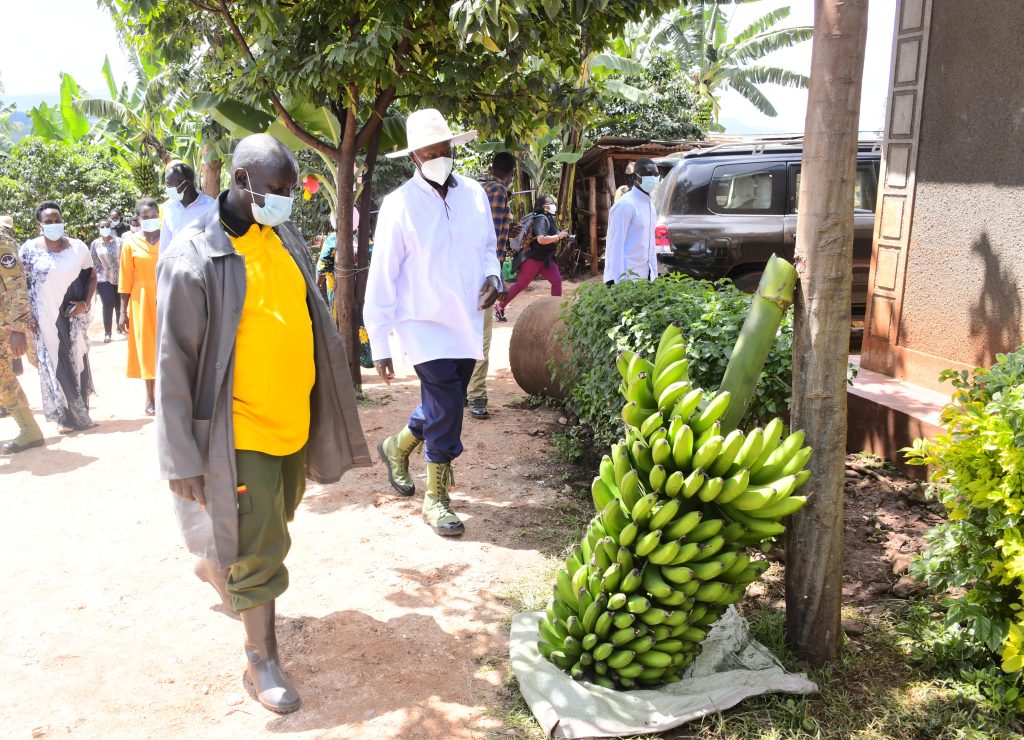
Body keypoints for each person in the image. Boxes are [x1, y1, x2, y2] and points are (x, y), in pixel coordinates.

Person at [156, 133, 369, 714]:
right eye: (274, 191)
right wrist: (180, 460)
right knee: (261, 545)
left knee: (274, 521)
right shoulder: (194, 257)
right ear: (241, 180)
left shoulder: (281, 234)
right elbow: (173, 362)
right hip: (238, 430)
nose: (283, 202)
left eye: (288, 192)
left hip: (292, 422)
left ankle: (215, 562)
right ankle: (262, 660)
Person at [366, 108, 503, 537]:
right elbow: (383, 274)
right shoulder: (398, 205)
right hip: (421, 323)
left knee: (447, 400)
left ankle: (398, 446)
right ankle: (436, 498)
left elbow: (487, 247)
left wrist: (494, 275)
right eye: (430, 152)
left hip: (466, 318)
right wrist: (380, 344)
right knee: (446, 400)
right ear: (414, 159)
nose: (440, 157)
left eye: (445, 149)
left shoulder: (475, 194)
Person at [19, 201, 97, 433]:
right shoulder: (28, 250)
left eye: (57, 220)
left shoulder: (78, 248)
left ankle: (82, 413)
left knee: (77, 358)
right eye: (48, 222)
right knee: (54, 363)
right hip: (45, 320)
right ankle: (65, 417)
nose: (54, 224)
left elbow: (91, 276)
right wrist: (27, 316)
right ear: (39, 226)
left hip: (73, 318)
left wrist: (85, 303)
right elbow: (21, 285)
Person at [466, 151, 516, 420]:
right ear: (512, 173)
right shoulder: (498, 192)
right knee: (481, 337)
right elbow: (493, 239)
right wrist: (499, 277)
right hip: (483, 276)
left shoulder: (475, 187)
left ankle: (465, 390)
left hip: (462, 273)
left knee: (464, 332)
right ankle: (476, 396)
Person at [0, 215, 44, 454]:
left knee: (2, 378)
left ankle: (30, 430)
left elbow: (16, 282)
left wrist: (18, 329)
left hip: (5, 321)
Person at [119, 198, 161, 416]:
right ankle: (150, 396)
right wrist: (121, 312)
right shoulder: (130, 243)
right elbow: (125, 279)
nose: (150, 220)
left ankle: (168, 395)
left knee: (167, 346)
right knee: (146, 347)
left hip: (166, 296)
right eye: (145, 217)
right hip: (141, 300)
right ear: (138, 219)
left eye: (154, 216)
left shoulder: (170, 238)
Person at [493, 194, 567, 315]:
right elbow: (541, 239)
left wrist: (560, 235)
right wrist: (558, 237)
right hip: (532, 259)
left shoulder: (548, 217)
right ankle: (499, 307)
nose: (553, 205)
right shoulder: (541, 219)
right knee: (521, 285)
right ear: (544, 207)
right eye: (550, 204)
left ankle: (555, 311)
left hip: (545, 259)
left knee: (557, 281)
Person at [604, 157, 659, 285]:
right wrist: (620, 282)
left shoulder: (650, 205)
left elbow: (650, 245)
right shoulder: (626, 205)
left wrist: (654, 275)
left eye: (656, 174)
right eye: (648, 174)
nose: (653, 178)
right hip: (625, 280)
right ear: (636, 177)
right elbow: (615, 247)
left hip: (645, 277)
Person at [160, 161, 215, 251]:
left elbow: (218, 242)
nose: (168, 189)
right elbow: (164, 246)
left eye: (169, 184)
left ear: (186, 183)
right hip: (177, 263)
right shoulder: (170, 209)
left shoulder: (211, 206)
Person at [90, 218, 122, 343]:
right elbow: (93, 261)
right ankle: (107, 332)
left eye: (106, 226)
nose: (104, 229)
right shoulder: (95, 244)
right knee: (108, 304)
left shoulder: (119, 242)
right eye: (102, 227)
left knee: (119, 304)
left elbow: (125, 258)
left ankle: (120, 326)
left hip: (120, 277)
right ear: (98, 228)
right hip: (103, 277)